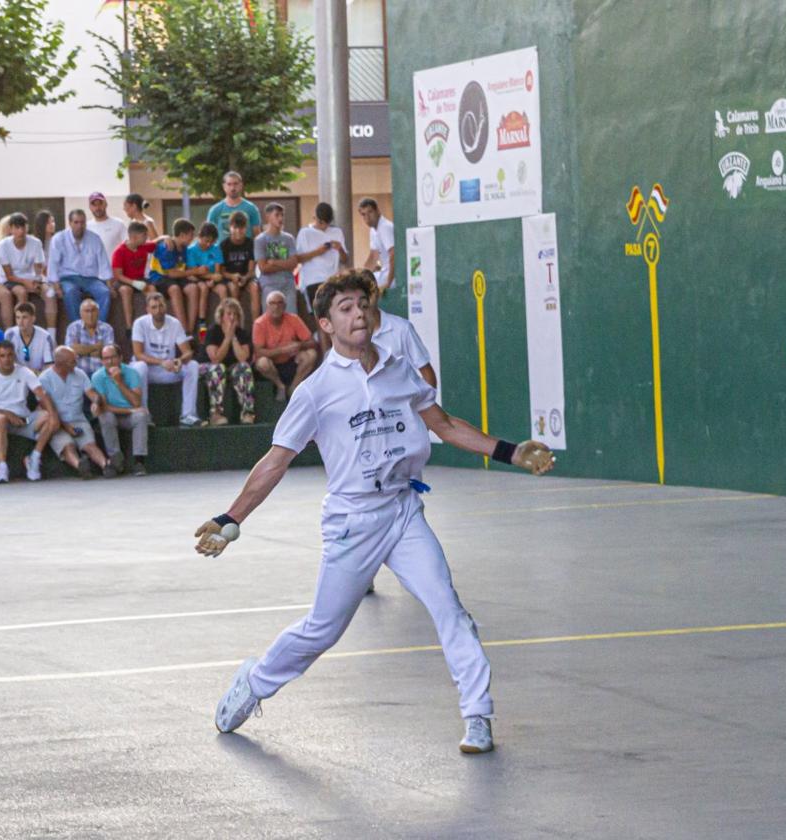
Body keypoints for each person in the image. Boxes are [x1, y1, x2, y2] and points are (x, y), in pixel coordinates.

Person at [194, 270, 556, 753]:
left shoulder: (398, 368)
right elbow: (275, 461)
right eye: (345, 308)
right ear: (325, 324)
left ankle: (478, 716)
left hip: (403, 510)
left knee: (450, 609)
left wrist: (510, 451)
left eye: (362, 305)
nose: (358, 313)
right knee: (321, 631)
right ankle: (254, 684)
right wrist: (229, 517)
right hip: (352, 520)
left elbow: (443, 424)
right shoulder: (316, 391)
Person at [0, 340, 61, 482]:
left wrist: (53, 416)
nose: (6, 359)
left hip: (23, 420)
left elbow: (41, 394)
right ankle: (3, 468)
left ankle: (34, 458)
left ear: (14, 356)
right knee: (0, 419)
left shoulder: (24, 372)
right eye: (2, 356)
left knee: (49, 416)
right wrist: (7, 414)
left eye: (10, 355)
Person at [38, 346, 115, 479]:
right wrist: (66, 427)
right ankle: (80, 466)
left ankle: (106, 465)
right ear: (60, 363)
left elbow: (92, 394)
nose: (76, 363)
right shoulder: (44, 379)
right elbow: (45, 408)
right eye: (73, 361)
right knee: (68, 446)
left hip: (78, 419)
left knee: (89, 445)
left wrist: (96, 402)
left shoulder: (80, 374)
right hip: (56, 422)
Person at [130, 292, 203, 427]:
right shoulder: (139, 323)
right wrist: (161, 362)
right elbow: (138, 353)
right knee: (140, 366)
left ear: (166, 306)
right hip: (148, 370)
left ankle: (188, 415)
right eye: (154, 307)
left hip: (168, 369)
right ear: (147, 309)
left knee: (192, 365)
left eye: (161, 306)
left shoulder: (174, 323)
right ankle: (144, 415)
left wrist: (179, 360)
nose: (158, 310)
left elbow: (187, 352)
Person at [92, 343, 149, 476]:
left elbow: (136, 402)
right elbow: (104, 407)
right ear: (101, 361)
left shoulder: (132, 373)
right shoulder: (97, 377)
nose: (110, 362)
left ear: (121, 358)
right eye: (106, 358)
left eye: (113, 357)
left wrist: (119, 382)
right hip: (113, 414)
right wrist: (130, 411)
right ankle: (116, 458)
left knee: (141, 416)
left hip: (129, 416)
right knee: (105, 416)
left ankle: (139, 462)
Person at [48, 209, 112, 324]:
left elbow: (104, 263)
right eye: (76, 222)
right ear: (70, 223)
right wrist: (56, 286)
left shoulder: (94, 238)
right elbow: (53, 264)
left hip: (91, 279)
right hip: (68, 278)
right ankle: (77, 328)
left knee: (104, 292)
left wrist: (109, 286)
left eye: (82, 222)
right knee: (71, 292)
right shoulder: (59, 239)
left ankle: (100, 328)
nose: (79, 226)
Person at [253, 290, 317, 402]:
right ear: (266, 306)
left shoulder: (293, 319)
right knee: (262, 362)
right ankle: (280, 386)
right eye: (272, 303)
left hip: (292, 362)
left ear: (285, 306)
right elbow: (258, 352)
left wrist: (299, 345)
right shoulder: (259, 323)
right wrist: (283, 350)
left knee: (311, 354)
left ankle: (293, 388)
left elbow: (312, 342)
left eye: (279, 303)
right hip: (271, 365)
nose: (276, 306)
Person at [0, 213, 54, 333]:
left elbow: (39, 268)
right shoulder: (3, 245)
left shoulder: (36, 242)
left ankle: (52, 333)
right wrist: (26, 283)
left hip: (31, 278)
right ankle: (18, 332)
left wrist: (37, 281)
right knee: (21, 292)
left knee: (50, 293)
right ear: (11, 229)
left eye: (23, 227)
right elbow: (9, 275)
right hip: (10, 280)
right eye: (17, 227)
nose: (21, 231)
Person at [205, 298, 255, 426]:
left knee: (244, 367)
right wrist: (227, 338)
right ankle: (216, 414)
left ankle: (247, 412)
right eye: (229, 314)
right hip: (213, 366)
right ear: (221, 316)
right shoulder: (212, 331)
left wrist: (233, 337)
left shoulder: (242, 333)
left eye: (235, 314)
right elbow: (215, 358)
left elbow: (243, 358)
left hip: (234, 366)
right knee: (217, 368)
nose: (232, 318)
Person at [295, 202, 350, 319]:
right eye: (321, 223)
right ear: (315, 218)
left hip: (333, 280)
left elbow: (345, 260)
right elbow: (298, 259)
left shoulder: (337, 232)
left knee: (336, 317)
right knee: (321, 319)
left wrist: (340, 249)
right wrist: (318, 251)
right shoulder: (305, 233)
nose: (324, 226)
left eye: (327, 224)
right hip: (313, 281)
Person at [147, 218, 201, 331]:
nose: (193, 238)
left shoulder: (185, 248)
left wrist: (195, 276)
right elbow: (171, 274)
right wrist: (196, 271)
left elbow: (183, 268)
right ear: (182, 235)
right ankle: (182, 330)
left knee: (193, 288)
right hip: (159, 277)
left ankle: (190, 330)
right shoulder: (166, 247)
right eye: (191, 235)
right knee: (175, 289)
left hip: (177, 276)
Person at [110, 221, 156, 333]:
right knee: (126, 291)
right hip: (123, 280)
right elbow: (118, 275)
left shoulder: (143, 247)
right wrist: (133, 283)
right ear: (133, 237)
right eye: (144, 235)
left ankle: (152, 321)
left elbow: (157, 242)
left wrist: (167, 239)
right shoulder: (119, 251)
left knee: (152, 290)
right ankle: (129, 327)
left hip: (140, 279)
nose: (147, 238)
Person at [254, 203, 299, 314]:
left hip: (288, 283)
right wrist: (285, 264)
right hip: (269, 284)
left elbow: (293, 264)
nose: (280, 218)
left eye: (282, 215)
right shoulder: (260, 240)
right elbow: (263, 267)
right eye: (277, 215)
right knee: (271, 318)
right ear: (268, 217)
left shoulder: (289, 238)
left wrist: (274, 262)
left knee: (291, 317)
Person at [186, 222, 226, 340]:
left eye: (211, 242)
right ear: (199, 237)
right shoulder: (192, 250)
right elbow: (194, 272)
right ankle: (202, 322)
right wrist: (209, 277)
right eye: (206, 241)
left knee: (223, 289)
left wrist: (213, 280)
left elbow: (218, 272)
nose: (208, 244)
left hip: (212, 279)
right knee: (203, 288)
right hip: (198, 279)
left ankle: (223, 320)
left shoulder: (216, 249)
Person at [217, 211, 259, 319]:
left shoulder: (250, 244)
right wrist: (232, 276)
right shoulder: (224, 245)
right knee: (234, 288)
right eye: (235, 228)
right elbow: (221, 271)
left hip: (246, 277)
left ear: (246, 228)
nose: (238, 231)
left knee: (255, 288)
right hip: (230, 278)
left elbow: (251, 269)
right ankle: (235, 324)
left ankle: (256, 325)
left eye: (241, 228)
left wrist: (245, 278)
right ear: (230, 227)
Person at [66, 298, 117, 377]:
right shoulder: (73, 327)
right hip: (79, 374)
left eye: (93, 310)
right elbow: (71, 352)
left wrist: (82, 351)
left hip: (101, 374)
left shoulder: (107, 328)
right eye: (87, 311)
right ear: (80, 313)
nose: (90, 314)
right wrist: (96, 347)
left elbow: (109, 353)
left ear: (98, 312)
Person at [207, 170, 262, 240]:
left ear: (241, 185)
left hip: (245, 250)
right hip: (222, 250)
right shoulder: (215, 210)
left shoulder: (251, 208)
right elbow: (208, 236)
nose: (232, 188)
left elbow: (257, 235)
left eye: (235, 184)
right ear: (224, 186)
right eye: (229, 184)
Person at [4, 301, 55, 373]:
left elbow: (49, 365)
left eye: (24, 317)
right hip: (16, 375)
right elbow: (7, 360)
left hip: (38, 375)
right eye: (18, 317)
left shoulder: (45, 336)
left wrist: (37, 374)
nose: (20, 321)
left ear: (33, 318)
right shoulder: (10, 334)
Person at [358, 198, 396, 295]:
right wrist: (358, 276)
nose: (367, 217)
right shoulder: (373, 230)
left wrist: (388, 283)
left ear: (377, 211)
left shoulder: (384, 227)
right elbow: (373, 257)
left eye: (370, 212)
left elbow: (394, 254)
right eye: (363, 214)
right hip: (385, 274)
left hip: (393, 277)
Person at [86, 192, 128, 259]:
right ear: (90, 207)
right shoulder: (86, 227)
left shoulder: (118, 224)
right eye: (94, 205)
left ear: (106, 204)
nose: (97, 208)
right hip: (94, 269)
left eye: (100, 203)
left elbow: (128, 247)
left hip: (114, 268)